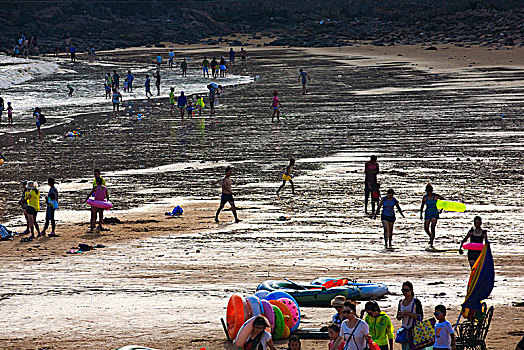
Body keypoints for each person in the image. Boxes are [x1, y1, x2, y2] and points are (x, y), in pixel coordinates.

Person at [396, 281, 423, 350]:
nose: (404, 292)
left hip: (414, 331)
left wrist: (409, 314)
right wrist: (400, 315)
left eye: (406, 290)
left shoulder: (416, 302)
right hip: (404, 330)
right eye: (403, 290)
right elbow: (398, 318)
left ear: (411, 291)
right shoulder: (401, 302)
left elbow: (420, 317)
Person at [420, 184, 444, 248]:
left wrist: (441, 209)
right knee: (426, 228)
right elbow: (422, 206)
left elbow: (444, 202)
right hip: (428, 212)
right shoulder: (425, 197)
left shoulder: (436, 196)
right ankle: (431, 236)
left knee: (432, 227)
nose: (429, 193)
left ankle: (431, 241)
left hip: (434, 212)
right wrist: (420, 214)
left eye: (430, 191)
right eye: (428, 191)